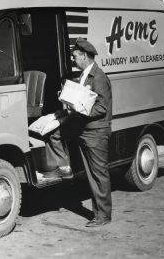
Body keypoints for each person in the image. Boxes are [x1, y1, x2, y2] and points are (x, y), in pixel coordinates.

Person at [42, 38, 113, 227]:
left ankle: (103, 215)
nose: (73, 60)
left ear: (84, 56)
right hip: (85, 128)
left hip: (96, 132)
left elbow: (102, 108)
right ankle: (63, 167)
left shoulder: (98, 77)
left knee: (98, 174)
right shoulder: (84, 75)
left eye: (75, 57)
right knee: (55, 133)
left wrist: (79, 108)